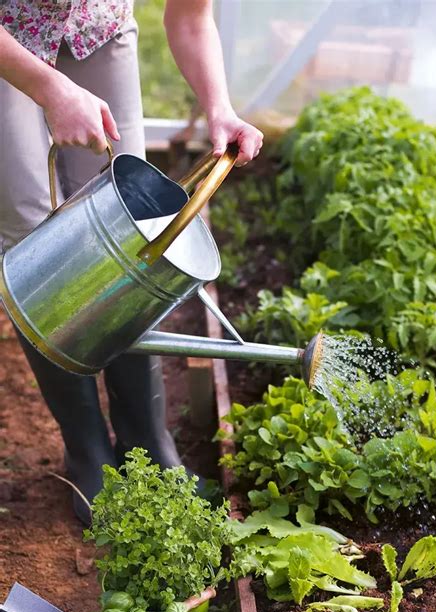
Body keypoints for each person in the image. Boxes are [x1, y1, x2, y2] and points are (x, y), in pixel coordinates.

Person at [0, 0, 263, 523]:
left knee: (136, 227)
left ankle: (147, 438)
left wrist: (219, 106)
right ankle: (87, 449)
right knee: (34, 240)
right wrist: (51, 89)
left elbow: (190, 16)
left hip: (99, 29)